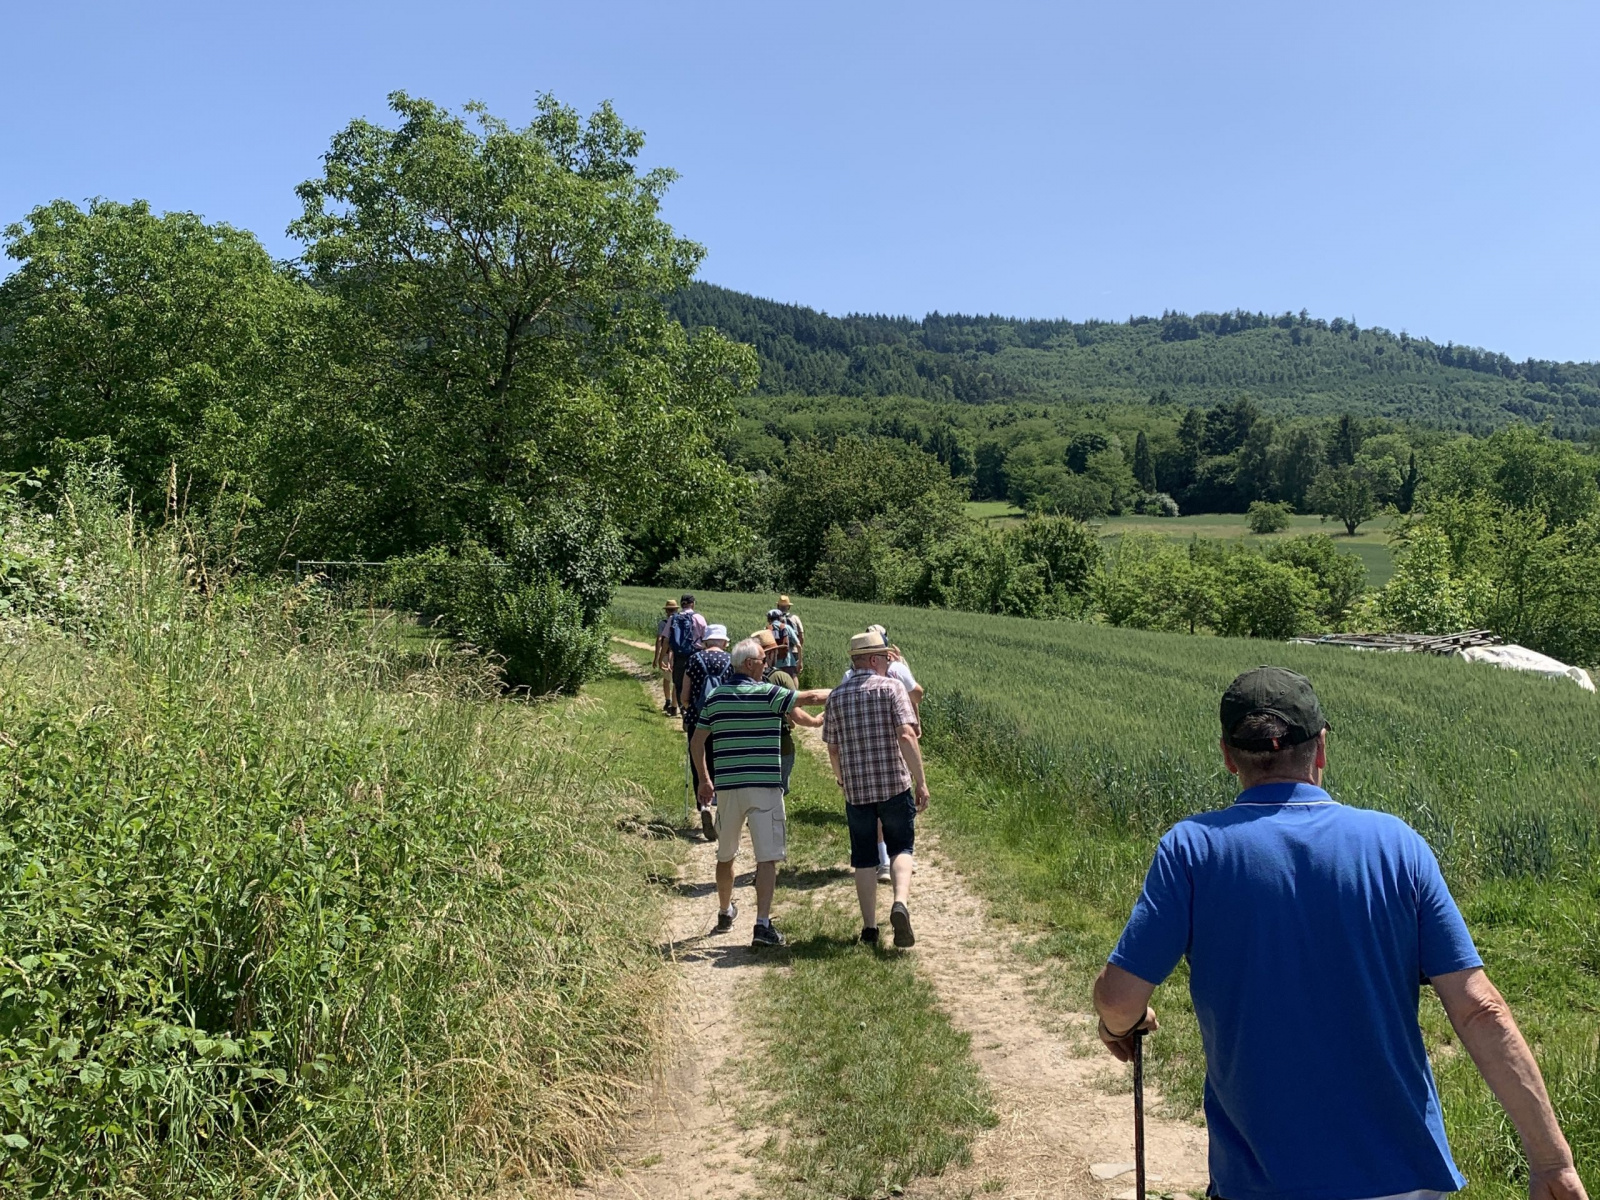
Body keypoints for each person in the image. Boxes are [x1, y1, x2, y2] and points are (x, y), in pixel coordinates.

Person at [1093, 666, 1588, 1200]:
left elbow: (1119, 999)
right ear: (1321, 748)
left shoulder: (1192, 849)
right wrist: (1552, 1162)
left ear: (1229, 756)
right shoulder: (1397, 846)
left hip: (1265, 1183)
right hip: (1403, 1179)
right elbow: (1478, 1009)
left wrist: (1122, 1023)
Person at [691, 637, 827, 948]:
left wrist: (704, 780)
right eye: (763, 661)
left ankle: (724, 911)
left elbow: (697, 742)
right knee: (767, 857)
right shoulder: (768, 693)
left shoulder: (715, 697)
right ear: (750, 664)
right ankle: (762, 924)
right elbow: (810, 697)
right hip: (764, 785)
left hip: (728, 788)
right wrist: (849, 688)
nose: (766, 665)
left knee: (725, 854)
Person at [822, 629, 930, 948]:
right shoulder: (892, 688)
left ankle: (870, 927)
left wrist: (842, 780)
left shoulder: (836, 697)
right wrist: (921, 781)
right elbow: (907, 735)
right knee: (901, 848)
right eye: (884, 657)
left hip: (857, 790)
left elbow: (832, 748)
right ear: (872, 659)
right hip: (894, 785)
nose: (887, 662)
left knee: (864, 857)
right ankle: (900, 903)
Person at [839, 625, 924, 882]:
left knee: (869, 817)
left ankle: (883, 860)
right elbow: (917, 696)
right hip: (894, 753)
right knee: (896, 811)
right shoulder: (897, 672)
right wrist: (921, 782)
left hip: (859, 758)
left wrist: (841, 776)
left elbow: (834, 741)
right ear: (877, 656)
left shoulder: (846, 679)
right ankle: (899, 863)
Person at [750, 628, 829, 792]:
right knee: (776, 794)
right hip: (779, 745)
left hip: (748, 747)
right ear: (770, 654)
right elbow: (796, 713)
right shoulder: (780, 677)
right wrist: (816, 722)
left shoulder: (737, 680)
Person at [679, 624, 732, 841]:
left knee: (699, 764)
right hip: (723, 721)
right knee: (721, 764)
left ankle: (704, 806)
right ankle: (721, 811)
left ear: (706, 641)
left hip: (698, 719)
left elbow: (684, 695)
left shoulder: (694, 659)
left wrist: (689, 710)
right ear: (724, 642)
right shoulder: (730, 661)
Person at [665, 595, 706, 719]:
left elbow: (666, 639)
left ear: (682, 604)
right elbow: (706, 639)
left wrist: (661, 658)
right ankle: (694, 710)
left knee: (679, 684)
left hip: (679, 656)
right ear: (692, 604)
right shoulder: (699, 618)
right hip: (696, 655)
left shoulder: (673, 618)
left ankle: (683, 710)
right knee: (695, 683)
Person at [653, 597, 680, 715]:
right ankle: (675, 704)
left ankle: (668, 700)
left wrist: (657, 658)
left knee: (667, 679)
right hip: (678, 655)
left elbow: (660, 640)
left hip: (666, 653)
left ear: (666, 611)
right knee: (676, 681)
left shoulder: (663, 623)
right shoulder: (681, 622)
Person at [775, 594, 804, 672]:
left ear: (778, 606)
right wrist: (799, 650)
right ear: (788, 607)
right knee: (793, 673)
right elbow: (801, 636)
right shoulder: (795, 618)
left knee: (779, 674)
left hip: (779, 651)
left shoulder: (774, 620)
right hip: (794, 650)